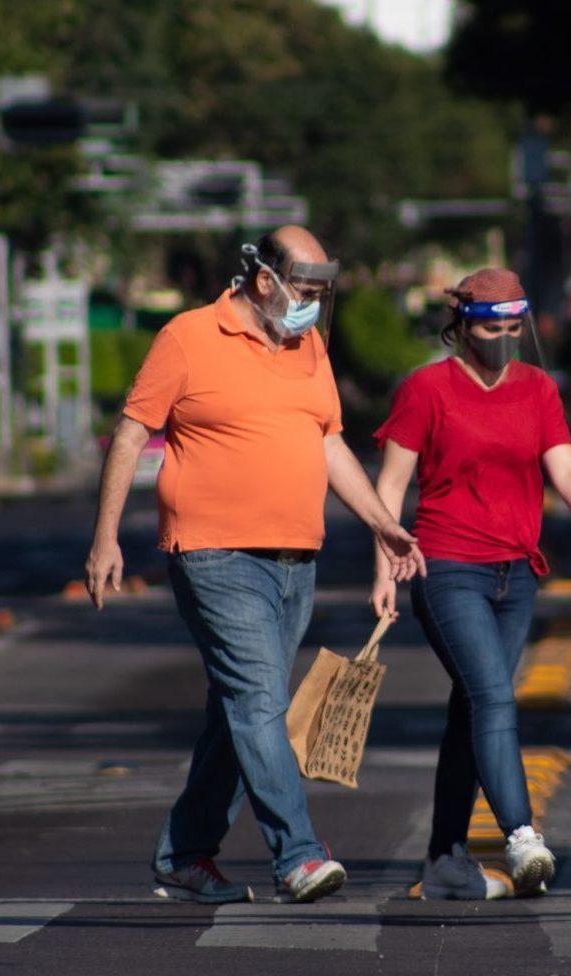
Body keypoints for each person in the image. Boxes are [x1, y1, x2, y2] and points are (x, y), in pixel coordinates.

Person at [86, 226, 425, 905]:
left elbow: (326, 441)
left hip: (295, 559)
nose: (312, 306)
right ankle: (296, 855)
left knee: (239, 710)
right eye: (304, 291)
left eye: (320, 294)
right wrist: (105, 538)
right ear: (264, 281)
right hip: (214, 552)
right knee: (258, 703)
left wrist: (383, 523)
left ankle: (184, 853)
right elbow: (131, 432)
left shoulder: (309, 348)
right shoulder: (187, 336)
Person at [369, 268, 571, 900]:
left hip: (518, 573)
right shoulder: (427, 389)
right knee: (494, 697)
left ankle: (445, 857)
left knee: (473, 709)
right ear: (462, 325)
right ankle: (521, 834)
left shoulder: (538, 389)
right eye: (490, 328)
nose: (503, 339)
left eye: (514, 328)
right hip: (447, 567)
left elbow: (563, 462)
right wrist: (383, 569)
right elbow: (390, 487)